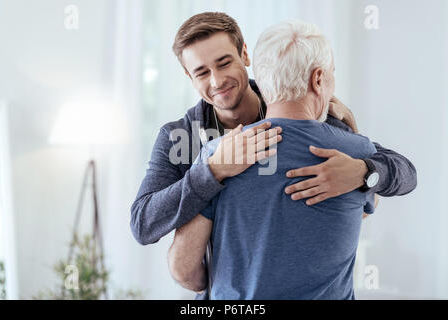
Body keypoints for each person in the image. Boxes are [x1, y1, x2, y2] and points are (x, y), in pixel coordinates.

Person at [130, 12, 417, 299]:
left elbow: (398, 176)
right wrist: (213, 171)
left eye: (224, 63)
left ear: (245, 54)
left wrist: (364, 171)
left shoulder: (312, 111)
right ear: (188, 76)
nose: (217, 81)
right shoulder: (181, 137)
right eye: (202, 72)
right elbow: (143, 225)